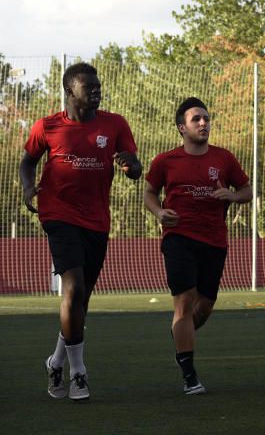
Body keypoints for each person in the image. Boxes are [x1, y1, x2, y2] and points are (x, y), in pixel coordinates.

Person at [21, 62, 142, 401]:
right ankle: (78, 373)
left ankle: (56, 361)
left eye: (98, 85)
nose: (96, 91)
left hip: (97, 220)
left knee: (81, 300)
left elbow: (134, 165)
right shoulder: (47, 126)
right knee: (72, 289)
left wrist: (132, 166)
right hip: (58, 214)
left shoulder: (115, 124)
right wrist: (28, 187)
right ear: (70, 91)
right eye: (88, 86)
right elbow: (27, 160)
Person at [144, 97, 251, 394]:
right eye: (196, 119)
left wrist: (233, 196)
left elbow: (246, 190)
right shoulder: (165, 161)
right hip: (179, 238)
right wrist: (159, 211)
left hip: (215, 240)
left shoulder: (224, 158)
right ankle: (190, 374)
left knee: (203, 308)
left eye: (206, 118)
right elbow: (150, 192)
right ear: (182, 127)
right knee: (185, 301)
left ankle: (182, 335)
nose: (204, 123)